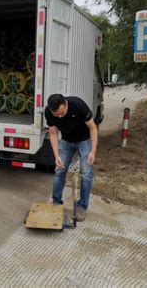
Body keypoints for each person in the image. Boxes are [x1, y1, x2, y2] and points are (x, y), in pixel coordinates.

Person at [45, 94, 98, 222]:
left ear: (66, 104)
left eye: (61, 113)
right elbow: (53, 133)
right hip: (66, 141)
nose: (59, 117)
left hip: (84, 140)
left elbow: (93, 128)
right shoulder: (49, 112)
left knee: (86, 173)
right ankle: (56, 202)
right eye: (56, 115)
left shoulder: (78, 105)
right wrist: (56, 155)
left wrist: (93, 151)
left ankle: (82, 206)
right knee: (59, 170)